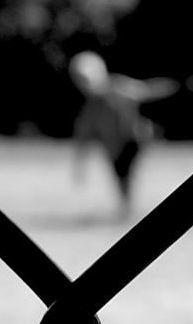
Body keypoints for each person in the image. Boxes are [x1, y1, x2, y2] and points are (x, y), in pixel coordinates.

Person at [69, 50, 177, 220]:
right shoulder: (91, 108)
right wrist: (80, 165)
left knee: (124, 173)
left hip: (131, 140)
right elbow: (84, 136)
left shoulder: (119, 88)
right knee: (120, 175)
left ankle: (126, 209)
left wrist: (171, 86)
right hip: (114, 146)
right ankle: (126, 209)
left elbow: (146, 91)